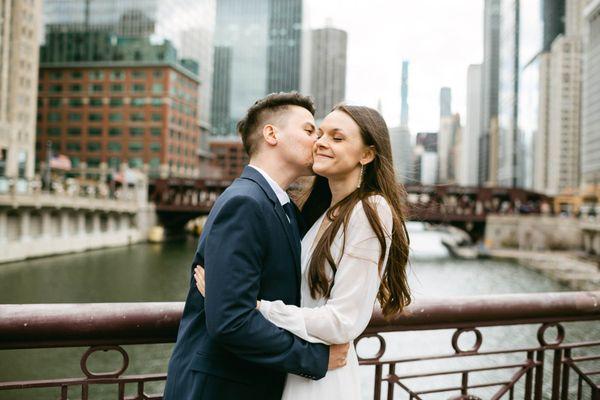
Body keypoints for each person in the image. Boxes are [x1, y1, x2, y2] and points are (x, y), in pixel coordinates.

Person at [195, 104, 412, 399]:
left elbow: (342, 322)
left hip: (323, 377)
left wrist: (257, 307)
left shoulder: (371, 209)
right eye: (319, 133)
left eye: (337, 138)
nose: (321, 142)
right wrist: (227, 291)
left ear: (367, 154)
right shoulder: (321, 214)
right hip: (295, 369)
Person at [163, 92, 350, 400]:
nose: (318, 141)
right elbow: (231, 321)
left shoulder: (283, 206)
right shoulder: (245, 203)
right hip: (219, 389)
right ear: (271, 133)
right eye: (308, 130)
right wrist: (315, 358)